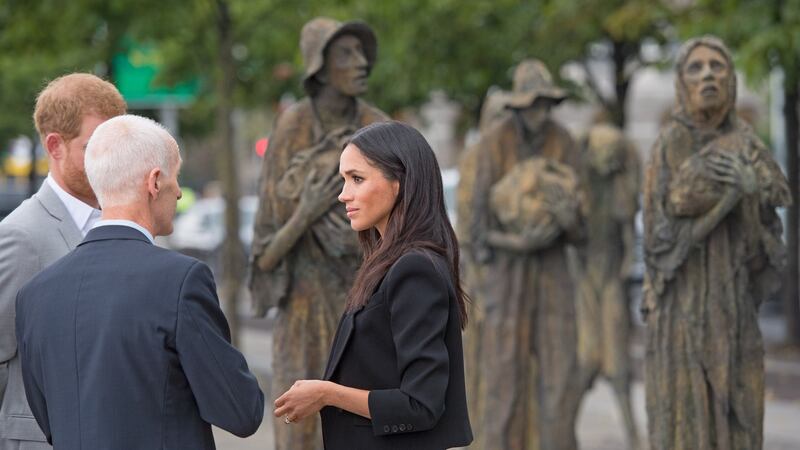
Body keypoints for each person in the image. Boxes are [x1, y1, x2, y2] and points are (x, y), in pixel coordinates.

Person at [15, 115, 264, 449]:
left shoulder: (35, 294)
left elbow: (47, 418)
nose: (178, 193)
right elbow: (241, 411)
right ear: (155, 182)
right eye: (176, 179)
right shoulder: (181, 281)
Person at [273, 121, 473, 450]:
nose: (343, 194)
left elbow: (421, 405)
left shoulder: (415, 269)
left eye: (357, 178)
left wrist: (326, 393)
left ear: (399, 183)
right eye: (344, 179)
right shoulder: (387, 262)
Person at [643, 36, 790, 450]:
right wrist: (728, 199)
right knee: (686, 426)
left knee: (742, 421)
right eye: (696, 67)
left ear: (731, 80)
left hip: (736, 309)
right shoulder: (669, 144)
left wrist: (748, 196)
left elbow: (770, 250)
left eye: (717, 66)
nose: (708, 73)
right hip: (682, 314)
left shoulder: (749, 145)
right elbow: (660, 243)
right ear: (681, 84)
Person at [249, 16, 388, 449]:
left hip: (368, 309)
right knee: (302, 429)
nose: (361, 62)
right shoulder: (292, 127)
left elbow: (408, 225)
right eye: (346, 53)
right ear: (320, 67)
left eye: (362, 52)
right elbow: (267, 255)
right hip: (305, 314)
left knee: (368, 425)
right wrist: (306, 213)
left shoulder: (379, 127)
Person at [0, 73, 126, 450]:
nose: (112, 160)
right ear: (55, 146)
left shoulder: (124, 222)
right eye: (95, 146)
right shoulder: (20, 236)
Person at [467, 59, 586, 450]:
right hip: (508, 274)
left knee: (559, 381)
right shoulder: (494, 142)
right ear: (518, 106)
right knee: (504, 382)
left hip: (554, 274)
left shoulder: (564, 141)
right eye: (534, 104)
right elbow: (477, 231)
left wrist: (569, 220)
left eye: (546, 104)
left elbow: (583, 232)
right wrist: (517, 243)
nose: (541, 113)